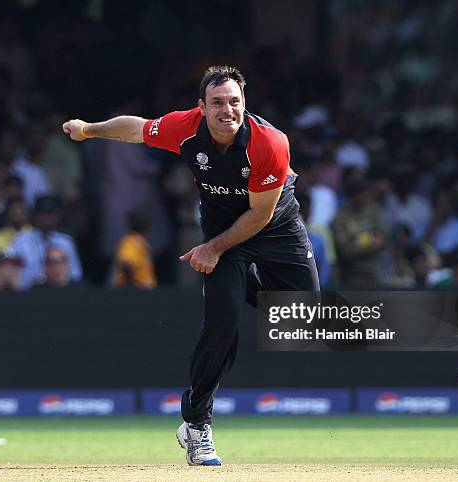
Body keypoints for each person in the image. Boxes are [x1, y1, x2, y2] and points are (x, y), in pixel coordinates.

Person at [62, 65, 319, 466]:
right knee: (223, 324)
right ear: (202, 107)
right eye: (217, 102)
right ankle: (196, 424)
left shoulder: (270, 143)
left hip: (273, 226)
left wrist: (212, 250)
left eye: (235, 102)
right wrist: (89, 130)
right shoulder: (185, 128)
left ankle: (236, 285)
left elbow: (259, 218)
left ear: (244, 104)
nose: (227, 110)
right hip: (222, 229)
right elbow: (137, 129)